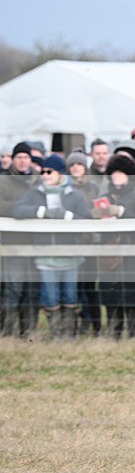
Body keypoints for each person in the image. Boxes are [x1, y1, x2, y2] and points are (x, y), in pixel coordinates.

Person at [11, 155, 90, 338]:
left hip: (71, 255)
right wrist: (41, 212)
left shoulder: (74, 194)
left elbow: (86, 221)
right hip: (45, 256)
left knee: (70, 296)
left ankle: (69, 334)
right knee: (51, 297)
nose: (45, 175)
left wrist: (67, 217)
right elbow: (17, 210)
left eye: (49, 172)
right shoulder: (34, 192)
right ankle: (56, 333)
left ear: (60, 173)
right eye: (43, 172)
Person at [92, 154, 135, 338]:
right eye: (114, 173)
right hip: (109, 254)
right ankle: (113, 336)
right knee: (111, 299)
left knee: (134, 298)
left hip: (133, 255)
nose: (117, 177)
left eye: (122, 173)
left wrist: (122, 212)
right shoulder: (104, 198)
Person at [0, 142, 41, 337]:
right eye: (19, 157)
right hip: (12, 243)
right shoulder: (3, 180)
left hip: (35, 243)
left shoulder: (37, 181)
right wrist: (25, 208)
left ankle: (28, 333)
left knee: (32, 290)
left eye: (26, 157)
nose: (23, 161)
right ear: (13, 160)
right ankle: (7, 332)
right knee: (12, 288)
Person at [66, 149, 102, 335]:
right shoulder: (65, 188)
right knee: (76, 286)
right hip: (72, 243)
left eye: (79, 164)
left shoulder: (94, 187)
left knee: (90, 286)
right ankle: (80, 322)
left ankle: (96, 324)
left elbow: (98, 209)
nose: (75, 168)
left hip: (91, 243)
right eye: (72, 165)